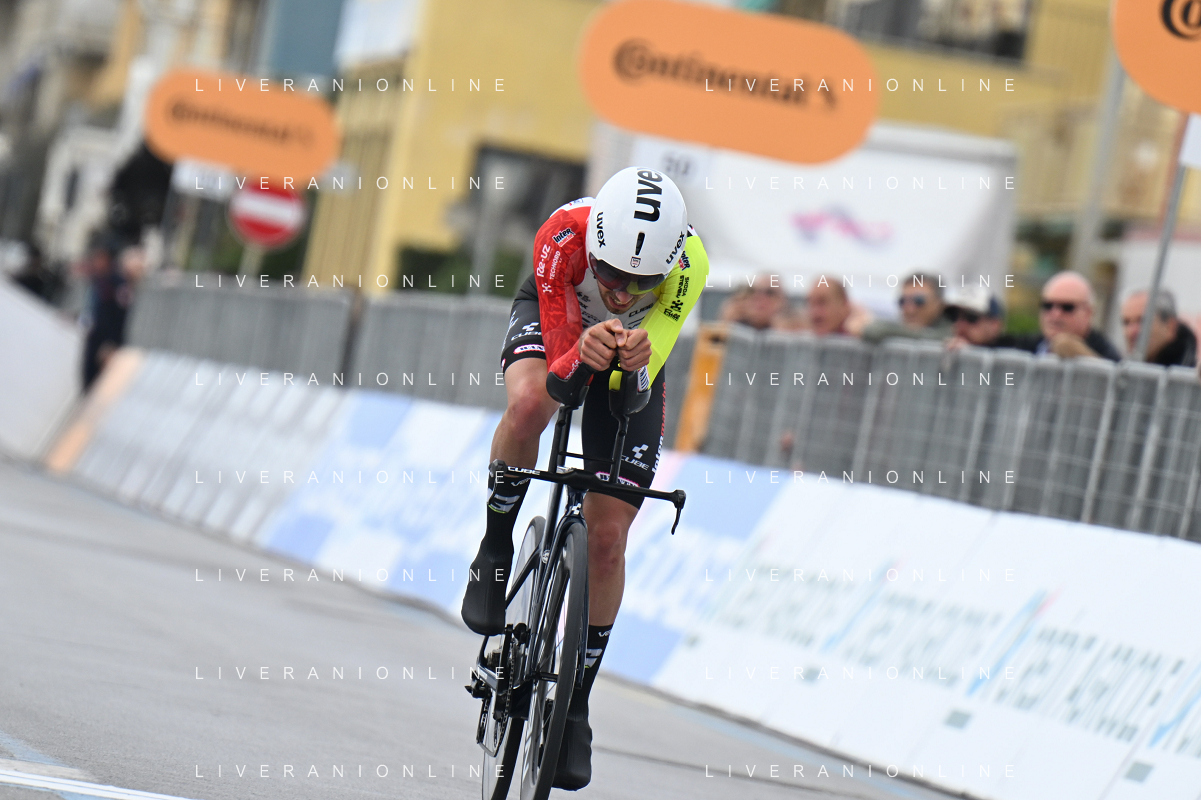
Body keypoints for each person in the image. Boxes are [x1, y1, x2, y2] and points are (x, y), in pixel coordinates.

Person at [460, 167, 707, 790]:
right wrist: (581, 354)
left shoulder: (690, 264)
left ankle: (575, 704)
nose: (622, 293)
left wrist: (631, 360)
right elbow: (561, 382)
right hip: (560, 326)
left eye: (642, 283)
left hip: (630, 360)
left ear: (669, 266)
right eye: (612, 275)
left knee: (608, 538)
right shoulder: (563, 236)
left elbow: (632, 390)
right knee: (528, 407)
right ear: (595, 247)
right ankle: (495, 547)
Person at [1009, 271, 1121, 361]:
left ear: (1088, 313)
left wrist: (1084, 357)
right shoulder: (1024, 346)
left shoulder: (1106, 354)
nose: (1055, 314)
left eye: (1067, 307)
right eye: (1048, 305)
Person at [861, 272, 951, 343]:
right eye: (903, 301)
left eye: (919, 301)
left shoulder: (955, 330)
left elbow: (939, 337)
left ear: (939, 304)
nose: (909, 310)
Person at [1120, 289, 1197, 367]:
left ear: (1170, 327)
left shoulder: (1191, 373)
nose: (1132, 331)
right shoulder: (1122, 368)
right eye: (1126, 322)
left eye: (1142, 321)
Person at [943, 285, 1023, 349]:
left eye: (971, 317)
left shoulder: (1016, 352)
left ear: (995, 325)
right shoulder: (943, 349)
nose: (960, 325)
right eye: (954, 316)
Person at [719, 276, 801, 331]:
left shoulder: (793, 330)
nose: (759, 297)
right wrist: (727, 324)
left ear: (783, 301)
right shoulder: (736, 325)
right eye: (752, 291)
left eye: (769, 293)